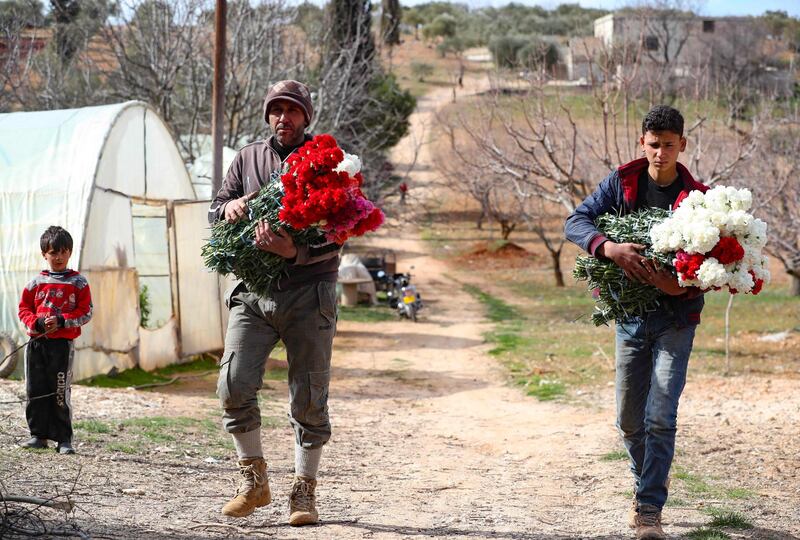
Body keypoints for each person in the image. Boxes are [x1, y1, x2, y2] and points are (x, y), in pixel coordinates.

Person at [564, 105, 708, 540]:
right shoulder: (621, 182)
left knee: (660, 415)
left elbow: (714, 265)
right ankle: (649, 478)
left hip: (676, 320)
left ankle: (648, 509)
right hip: (629, 316)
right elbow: (576, 221)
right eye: (653, 144)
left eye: (669, 145)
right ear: (641, 143)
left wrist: (678, 286)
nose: (660, 153)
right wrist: (609, 249)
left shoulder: (700, 199)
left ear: (682, 144)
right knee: (629, 420)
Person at [208, 80, 341, 525]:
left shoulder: (329, 163)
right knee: (233, 385)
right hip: (254, 291)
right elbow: (216, 206)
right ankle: (254, 480)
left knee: (308, 396)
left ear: (307, 117)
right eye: (276, 110)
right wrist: (229, 208)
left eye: (293, 110)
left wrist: (295, 252)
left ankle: (304, 493)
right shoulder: (247, 157)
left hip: (310, 291)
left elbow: (343, 227)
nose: (283, 117)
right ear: (268, 116)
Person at [17, 226, 93, 455]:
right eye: (52, 253)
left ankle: (63, 439)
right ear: (44, 254)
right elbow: (23, 309)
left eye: (62, 252)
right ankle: (38, 435)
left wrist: (62, 320)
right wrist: (37, 323)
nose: (58, 257)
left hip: (61, 346)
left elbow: (86, 312)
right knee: (35, 389)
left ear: (69, 253)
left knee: (60, 391)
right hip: (36, 344)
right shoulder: (35, 283)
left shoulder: (78, 282)